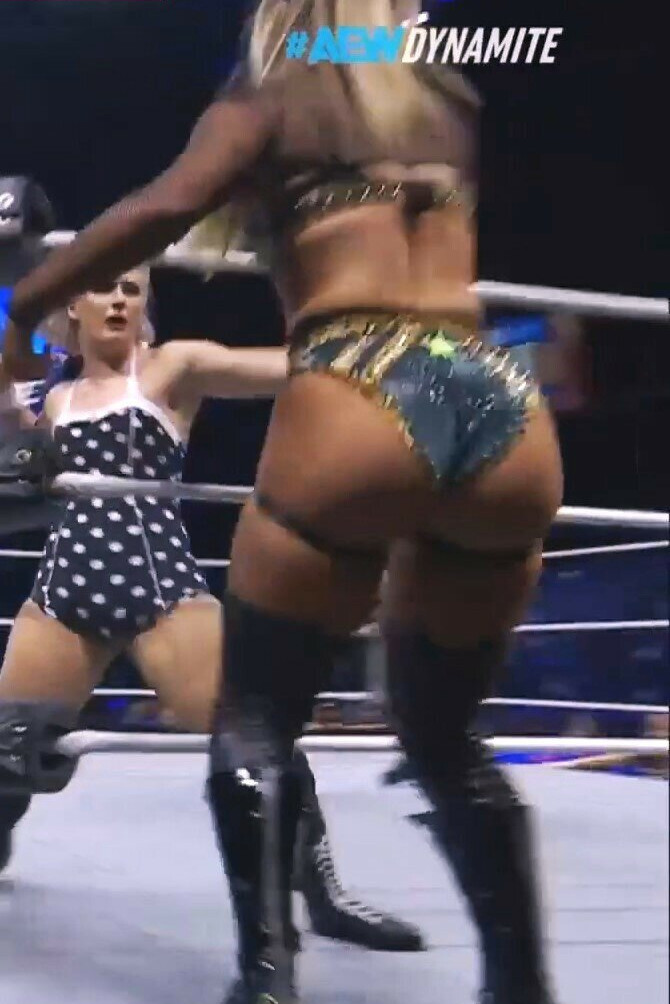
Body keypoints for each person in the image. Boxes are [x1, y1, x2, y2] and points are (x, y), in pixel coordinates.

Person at [1, 2, 565, 1001]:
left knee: (254, 724)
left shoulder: (271, 99)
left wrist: (24, 304)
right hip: (487, 389)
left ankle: (270, 977)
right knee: (446, 739)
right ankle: (520, 985)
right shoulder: (441, 97)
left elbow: (161, 208)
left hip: (353, 377)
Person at [0, 267, 424, 955]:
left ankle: (322, 890)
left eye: (133, 289)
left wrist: (377, 350)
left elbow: (285, 369)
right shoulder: (52, 397)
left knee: (252, 735)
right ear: (73, 304)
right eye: (104, 287)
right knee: (8, 743)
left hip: (158, 585)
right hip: (63, 590)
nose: (119, 299)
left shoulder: (172, 367)